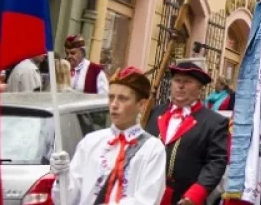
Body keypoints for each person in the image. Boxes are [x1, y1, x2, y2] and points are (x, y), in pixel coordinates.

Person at [49, 67, 166, 204]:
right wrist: (62, 176)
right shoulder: (90, 142)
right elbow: (66, 200)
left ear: (141, 105)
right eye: (111, 97)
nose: (114, 104)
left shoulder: (152, 149)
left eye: (123, 98)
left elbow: (147, 199)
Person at [145, 62, 229, 204]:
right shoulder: (154, 112)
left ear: (199, 89)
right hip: (147, 194)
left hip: (185, 198)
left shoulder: (214, 122)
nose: (180, 86)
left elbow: (216, 162)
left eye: (187, 82)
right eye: (177, 80)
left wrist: (196, 194)